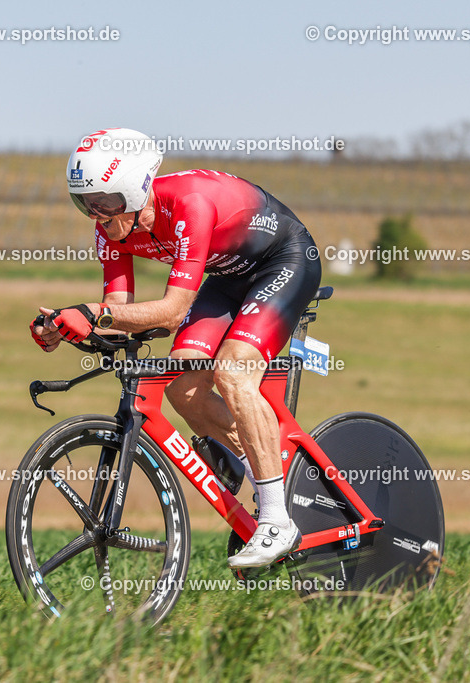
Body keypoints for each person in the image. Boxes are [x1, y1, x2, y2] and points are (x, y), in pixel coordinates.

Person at [30, 128, 322, 568]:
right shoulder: (110, 231)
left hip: (284, 260)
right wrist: (67, 325)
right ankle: (256, 464)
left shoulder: (190, 205)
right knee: (181, 386)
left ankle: (277, 521)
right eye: (84, 203)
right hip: (228, 276)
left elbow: (171, 313)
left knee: (233, 372)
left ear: (134, 190)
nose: (96, 215)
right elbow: (117, 312)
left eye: (104, 202)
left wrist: (94, 314)